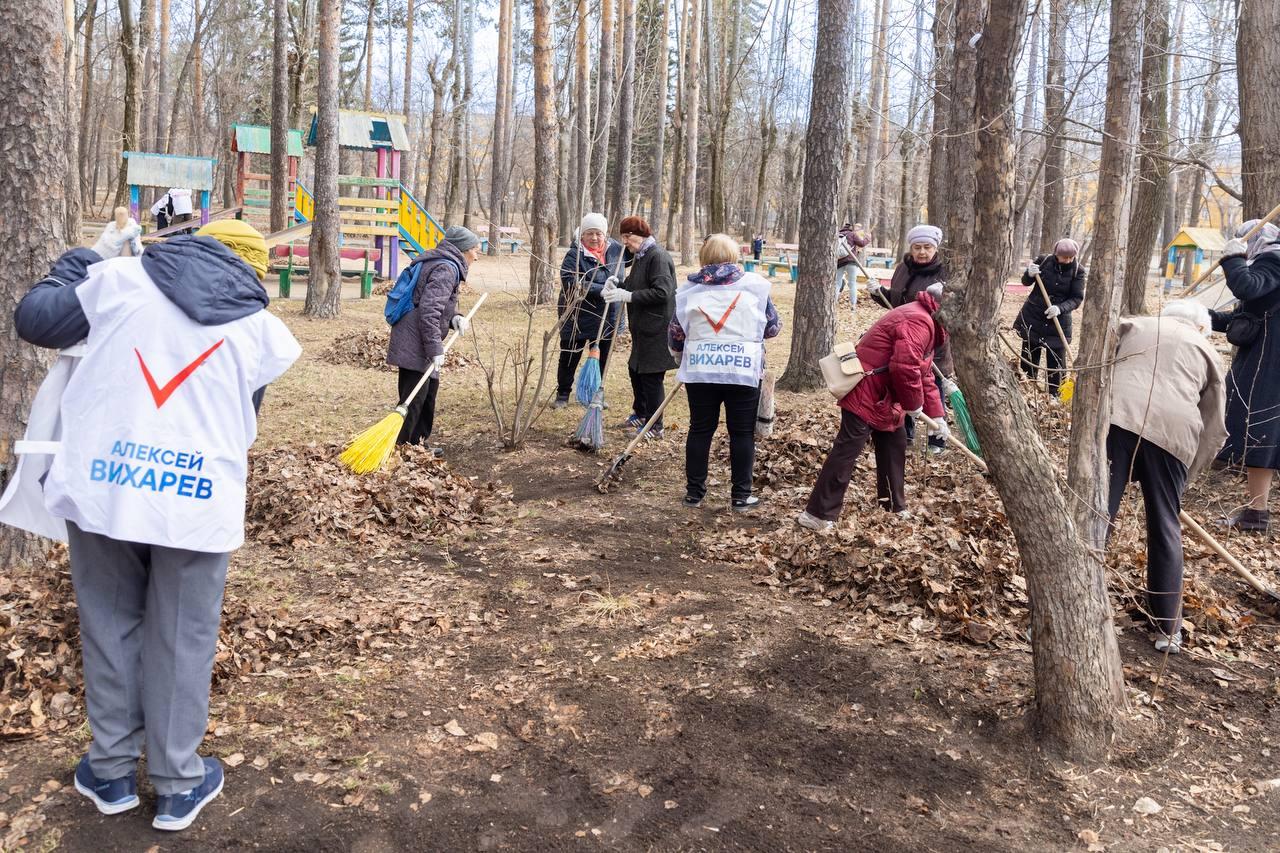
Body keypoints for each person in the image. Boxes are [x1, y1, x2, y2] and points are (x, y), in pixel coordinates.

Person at [6, 219, 300, 831]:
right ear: (251, 271)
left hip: (105, 487)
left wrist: (84, 258)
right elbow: (244, 412)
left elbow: (35, 319)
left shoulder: (119, 280)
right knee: (183, 633)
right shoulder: (263, 331)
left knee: (111, 621)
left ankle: (110, 771)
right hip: (196, 498)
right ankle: (176, 784)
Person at [1107, 301, 1226, 653]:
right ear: (1202, 327)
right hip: (1174, 435)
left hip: (1117, 418)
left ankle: (1066, 610)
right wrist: (1182, 479)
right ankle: (1167, 629)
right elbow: (1214, 428)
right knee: (1165, 526)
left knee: (1097, 514)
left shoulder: (1134, 325)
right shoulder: (1206, 348)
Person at [798, 284, 949, 531]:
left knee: (894, 445)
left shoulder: (928, 321)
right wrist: (914, 404)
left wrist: (937, 415)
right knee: (848, 450)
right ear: (942, 306)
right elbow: (905, 366)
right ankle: (816, 514)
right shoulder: (919, 321)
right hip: (867, 390)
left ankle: (893, 506)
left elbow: (924, 372)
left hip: (886, 396)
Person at [670, 233, 782, 511]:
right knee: (741, 433)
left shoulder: (687, 291)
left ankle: (694, 494)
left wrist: (681, 354)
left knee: (700, 429)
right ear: (734, 257)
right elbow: (772, 327)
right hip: (742, 368)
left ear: (704, 257)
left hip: (700, 369)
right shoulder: (755, 288)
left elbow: (675, 334)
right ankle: (741, 496)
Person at [386, 225, 481, 456]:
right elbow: (429, 311)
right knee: (414, 399)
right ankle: (403, 449)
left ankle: (418, 445)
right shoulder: (446, 268)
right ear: (462, 250)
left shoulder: (442, 263)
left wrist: (455, 317)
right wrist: (435, 348)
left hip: (420, 340)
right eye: (474, 251)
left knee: (427, 394)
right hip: (415, 341)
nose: (476, 257)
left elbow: (436, 304)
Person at [1210, 221, 1280, 532]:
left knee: (1262, 432)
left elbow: (1246, 287)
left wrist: (1232, 259)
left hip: (1271, 365)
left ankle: (1257, 515)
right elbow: (1244, 320)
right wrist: (1200, 316)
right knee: (1261, 440)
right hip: (1264, 359)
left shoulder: (1274, 260)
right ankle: (1256, 515)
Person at [867, 223, 952, 452]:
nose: (922, 252)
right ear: (911, 248)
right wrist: (879, 294)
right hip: (903, 340)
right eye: (917, 247)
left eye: (927, 247)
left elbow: (949, 310)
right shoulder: (902, 269)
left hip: (932, 342)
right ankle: (906, 434)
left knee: (933, 385)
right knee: (903, 384)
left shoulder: (944, 273)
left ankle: (937, 439)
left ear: (935, 249)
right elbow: (895, 304)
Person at [602, 216, 676, 438]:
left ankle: (655, 426)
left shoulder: (658, 257)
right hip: (642, 328)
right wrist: (618, 286)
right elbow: (637, 286)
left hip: (657, 327)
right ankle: (642, 413)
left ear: (641, 235)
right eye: (622, 237)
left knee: (651, 377)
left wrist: (630, 295)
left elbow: (663, 292)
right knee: (635, 370)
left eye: (628, 236)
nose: (625, 242)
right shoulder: (641, 256)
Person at [556, 213, 624, 407]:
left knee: (602, 356)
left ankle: (596, 393)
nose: (594, 238)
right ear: (582, 235)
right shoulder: (574, 254)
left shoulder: (616, 251)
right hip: (578, 314)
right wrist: (600, 288)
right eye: (589, 233)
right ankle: (562, 394)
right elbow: (571, 282)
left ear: (605, 235)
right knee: (570, 354)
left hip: (607, 314)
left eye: (598, 234)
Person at [1015, 238, 1085, 396]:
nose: (1067, 260)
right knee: (1030, 356)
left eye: (1071, 257)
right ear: (1056, 254)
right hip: (1034, 318)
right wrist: (1029, 274)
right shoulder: (1043, 261)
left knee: (1057, 362)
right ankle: (1028, 389)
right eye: (1064, 257)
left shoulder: (1077, 271)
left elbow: (1077, 298)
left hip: (1058, 322)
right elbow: (1026, 282)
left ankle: (1055, 395)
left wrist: (1060, 309)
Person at [835, 223, 862, 308]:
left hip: (839, 262)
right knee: (852, 284)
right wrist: (868, 237)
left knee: (837, 283)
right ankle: (853, 305)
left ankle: (833, 302)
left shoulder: (837, 235)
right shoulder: (852, 234)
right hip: (851, 262)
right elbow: (862, 243)